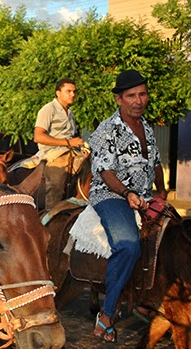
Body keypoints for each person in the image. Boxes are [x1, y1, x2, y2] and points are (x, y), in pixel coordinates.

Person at [89, 69, 167, 343]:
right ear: (119, 99)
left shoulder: (145, 127)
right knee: (129, 245)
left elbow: (155, 164)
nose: (138, 100)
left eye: (143, 94)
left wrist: (163, 193)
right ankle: (107, 314)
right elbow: (105, 172)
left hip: (144, 196)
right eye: (131, 95)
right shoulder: (106, 130)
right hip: (112, 196)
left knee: (177, 237)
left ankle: (147, 297)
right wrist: (128, 193)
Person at [34, 78, 86, 208]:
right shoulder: (48, 109)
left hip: (72, 151)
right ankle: (50, 213)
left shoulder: (70, 113)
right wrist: (68, 142)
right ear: (58, 93)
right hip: (53, 154)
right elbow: (38, 136)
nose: (72, 94)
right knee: (57, 182)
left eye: (74, 92)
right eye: (68, 91)